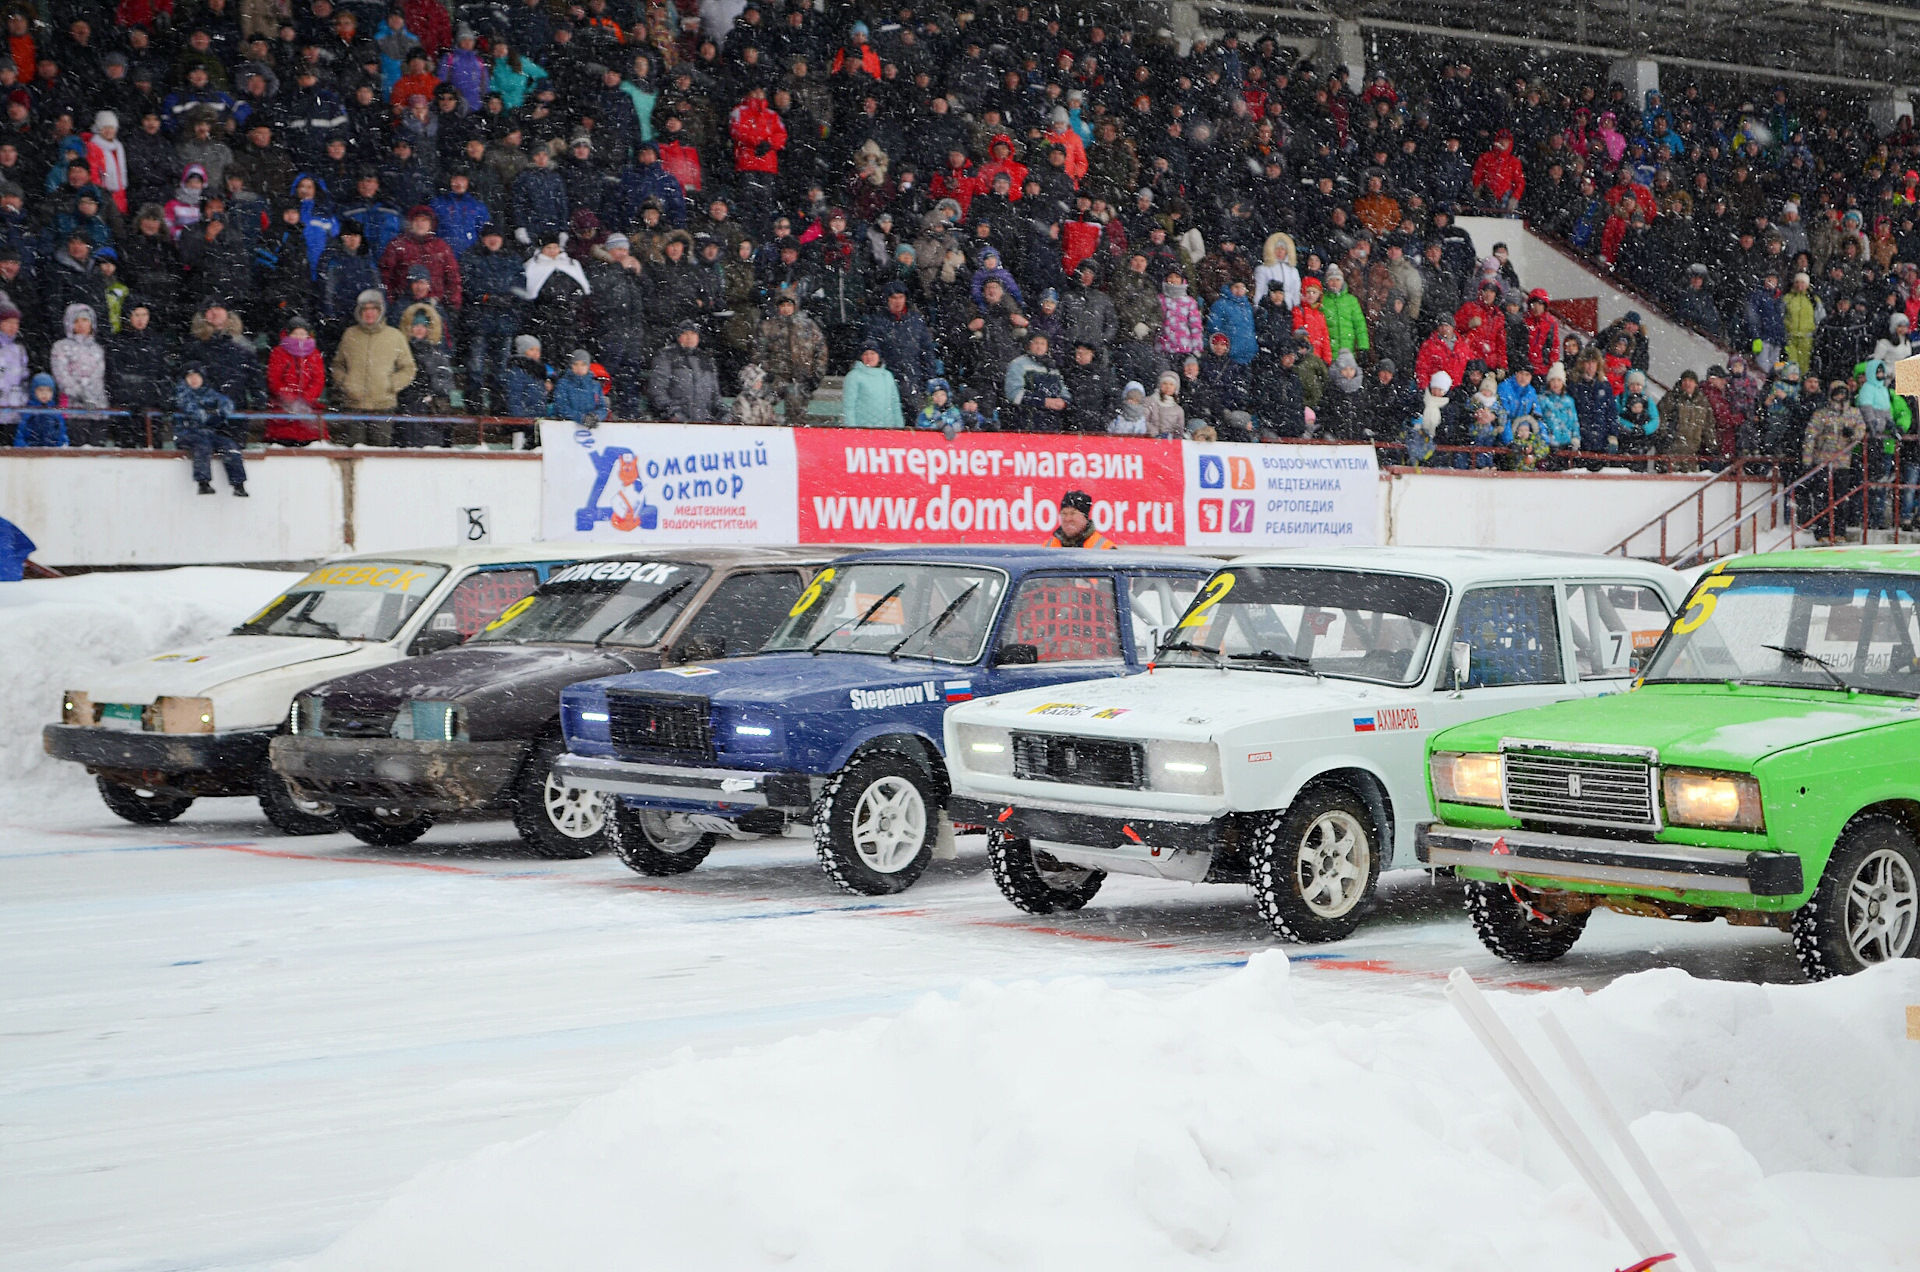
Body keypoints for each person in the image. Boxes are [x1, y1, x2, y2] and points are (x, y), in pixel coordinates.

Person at [330, 289, 415, 444]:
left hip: (383, 406)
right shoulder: (350, 335)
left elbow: (408, 368)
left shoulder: (395, 336)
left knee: (379, 457)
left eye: (374, 309)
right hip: (353, 405)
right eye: (366, 309)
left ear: (380, 311)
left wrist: (391, 384)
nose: (369, 313)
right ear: (359, 312)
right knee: (355, 455)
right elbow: (337, 365)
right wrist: (345, 382)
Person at [173, 362, 246, 495]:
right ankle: (203, 482)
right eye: (189, 376)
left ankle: (238, 484)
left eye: (196, 375)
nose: (193, 379)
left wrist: (219, 412)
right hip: (186, 433)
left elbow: (226, 404)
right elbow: (195, 412)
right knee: (202, 445)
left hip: (208, 433)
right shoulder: (182, 394)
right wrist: (213, 414)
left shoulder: (209, 393)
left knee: (230, 446)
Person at [649, 323, 727, 423]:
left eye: (693, 333)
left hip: (704, 426)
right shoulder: (665, 357)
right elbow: (657, 391)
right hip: (674, 426)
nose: (689, 337)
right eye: (685, 333)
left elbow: (715, 397)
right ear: (678, 337)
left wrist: (723, 414)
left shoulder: (706, 360)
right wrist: (673, 414)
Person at [266, 316, 326, 445]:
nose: (299, 337)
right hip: (283, 411)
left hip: (308, 411)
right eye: (295, 333)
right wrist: (289, 398)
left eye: (302, 334)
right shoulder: (278, 353)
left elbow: (319, 379)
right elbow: (274, 379)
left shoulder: (315, 354)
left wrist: (306, 398)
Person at [841, 342, 905, 430]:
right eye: (865, 354)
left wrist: (899, 427)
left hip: (887, 430)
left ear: (878, 356)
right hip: (863, 430)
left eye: (873, 353)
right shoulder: (854, 376)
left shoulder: (887, 375)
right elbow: (849, 406)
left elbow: (895, 404)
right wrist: (851, 429)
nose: (869, 357)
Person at [551, 347, 609, 425]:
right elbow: (560, 406)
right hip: (566, 428)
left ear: (588, 366)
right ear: (571, 366)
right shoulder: (563, 383)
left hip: (591, 431)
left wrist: (595, 417)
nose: (579, 368)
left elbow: (603, 408)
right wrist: (581, 418)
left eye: (583, 364)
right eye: (576, 364)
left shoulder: (595, 385)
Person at [1042, 488, 1115, 548]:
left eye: (1073, 513)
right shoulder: (1048, 547)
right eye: (1064, 514)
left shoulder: (1105, 548)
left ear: (1085, 517)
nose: (1067, 519)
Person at [14, 373, 65, 447]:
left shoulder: (55, 411)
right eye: (41, 390)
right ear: (34, 391)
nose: (45, 394)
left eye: (49, 390)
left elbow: (62, 432)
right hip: (31, 450)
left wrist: (61, 447)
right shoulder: (29, 410)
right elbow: (21, 433)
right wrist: (21, 448)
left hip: (52, 450)